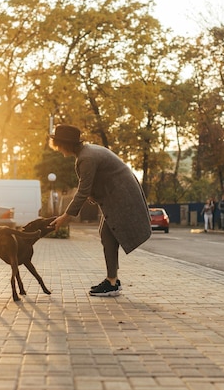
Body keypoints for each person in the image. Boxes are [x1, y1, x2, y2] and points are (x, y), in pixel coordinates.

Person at [50, 124, 151, 297]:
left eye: (59, 145)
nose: (58, 149)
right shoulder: (86, 152)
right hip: (118, 194)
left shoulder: (86, 158)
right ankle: (113, 280)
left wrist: (65, 217)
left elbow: (82, 191)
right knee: (106, 235)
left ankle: (112, 282)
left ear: (66, 144)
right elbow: (91, 186)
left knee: (108, 234)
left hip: (121, 197)